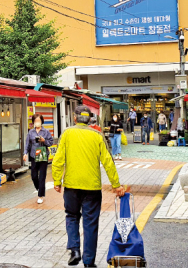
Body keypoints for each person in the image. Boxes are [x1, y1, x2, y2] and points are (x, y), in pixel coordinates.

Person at [52, 105, 125, 267]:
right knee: (90, 223)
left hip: (71, 186)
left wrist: (57, 181)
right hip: (92, 188)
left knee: (71, 216)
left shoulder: (67, 133)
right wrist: (116, 184)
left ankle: (74, 249)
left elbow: (58, 160)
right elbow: (108, 161)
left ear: (75, 118)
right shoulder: (97, 135)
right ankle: (88, 262)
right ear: (90, 119)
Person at [23, 114, 54, 204]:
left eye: (39, 121)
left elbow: (50, 143)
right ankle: (39, 188)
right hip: (33, 155)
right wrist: (25, 153)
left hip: (43, 154)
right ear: (33, 122)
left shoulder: (46, 131)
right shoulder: (31, 132)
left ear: (42, 121)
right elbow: (27, 144)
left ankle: (40, 196)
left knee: (42, 176)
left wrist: (44, 141)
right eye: (36, 121)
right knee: (33, 175)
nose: (37, 122)